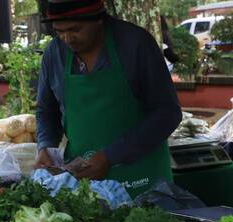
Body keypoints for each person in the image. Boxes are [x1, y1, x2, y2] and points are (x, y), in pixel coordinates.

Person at [33, 0, 182, 198]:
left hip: (143, 180)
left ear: (98, 20)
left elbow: (168, 112)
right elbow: (46, 109)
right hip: (85, 182)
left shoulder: (136, 44)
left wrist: (111, 156)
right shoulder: (55, 53)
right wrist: (46, 146)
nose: (67, 38)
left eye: (75, 29)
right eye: (59, 31)